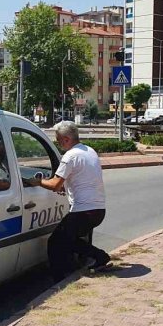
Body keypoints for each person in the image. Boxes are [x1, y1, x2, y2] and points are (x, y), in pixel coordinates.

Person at [25, 121, 110, 282]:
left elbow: (55, 185)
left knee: (55, 242)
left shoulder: (70, 156)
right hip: (98, 209)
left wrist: (38, 182)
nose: (58, 143)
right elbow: (81, 177)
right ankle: (98, 257)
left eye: (58, 140)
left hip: (83, 211)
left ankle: (58, 278)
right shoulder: (89, 151)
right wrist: (67, 186)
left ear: (65, 139)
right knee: (69, 240)